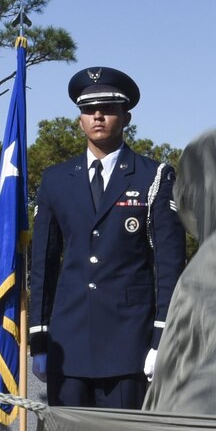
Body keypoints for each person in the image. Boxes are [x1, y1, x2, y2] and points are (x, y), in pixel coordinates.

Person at [28, 66, 184, 410]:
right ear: (80, 119)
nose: (98, 116)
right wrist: (39, 340)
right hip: (68, 346)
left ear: (126, 117)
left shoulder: (154, 177)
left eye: (109, 108)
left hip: (129, 345)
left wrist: (162, 340)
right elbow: (43, 265)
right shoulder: (56, 180)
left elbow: (169, 268)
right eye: (88, 110)